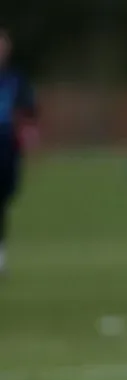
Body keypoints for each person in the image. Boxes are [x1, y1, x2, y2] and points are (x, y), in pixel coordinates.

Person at [0, 29, 36, 276]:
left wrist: (26, 135)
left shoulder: (16, 79)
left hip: (6, 146)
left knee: (3, 199)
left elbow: (29, 110)